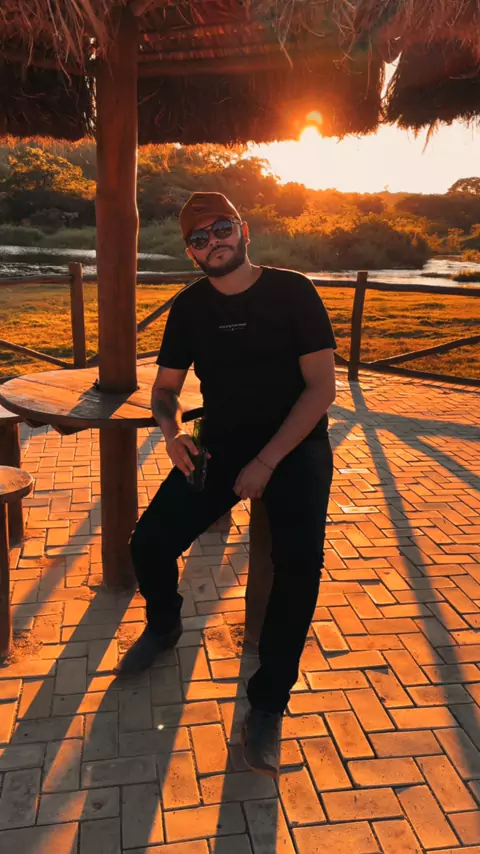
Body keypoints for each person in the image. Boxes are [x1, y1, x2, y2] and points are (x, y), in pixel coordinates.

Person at [116, 192, 337, 778]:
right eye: (199, 238)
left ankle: (268, 704)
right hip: (219, 443)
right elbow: (165, 390)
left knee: (298, 568)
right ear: (190, 252)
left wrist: (266, 462)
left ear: (243, 229)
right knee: (149, 543)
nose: (213, 243)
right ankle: (164, 623)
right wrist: (172, 434)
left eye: (221, 229)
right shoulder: (190, 307)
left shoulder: (293, 291)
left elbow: (321, 389)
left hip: (296, 445)